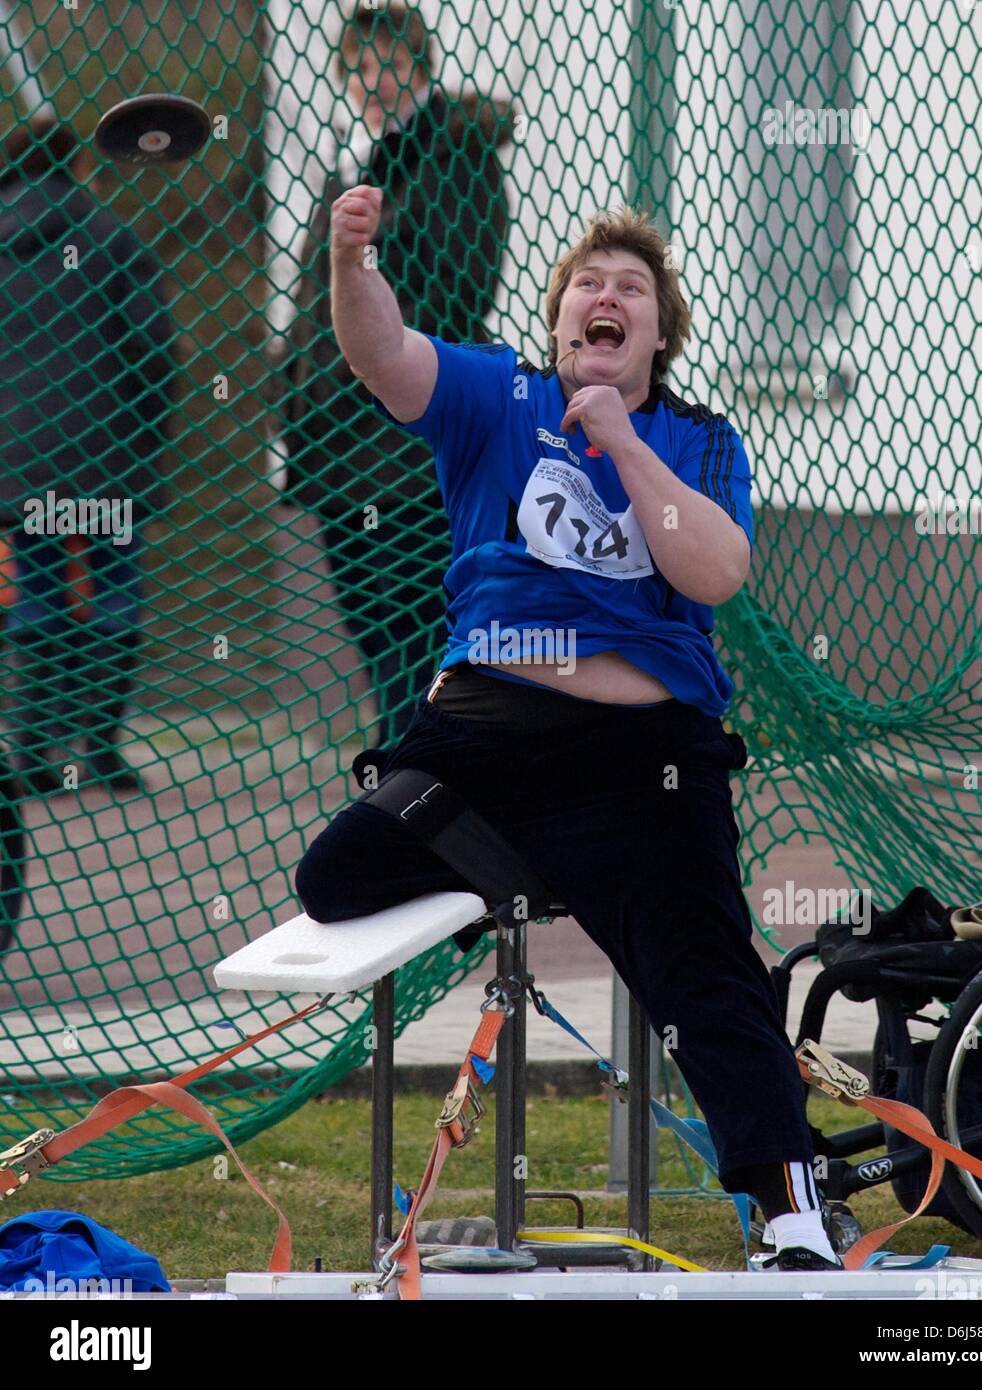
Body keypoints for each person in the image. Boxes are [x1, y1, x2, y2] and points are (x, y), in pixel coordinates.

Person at [294, 184, 842, 1271]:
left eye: (629, 289)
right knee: (335, 875)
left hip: (643, 761)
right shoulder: (500, 396)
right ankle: (526, 859)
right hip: (486, 738)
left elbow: (717, 569)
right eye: (587, 284)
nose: (606, 295)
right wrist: (348, 267)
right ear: (557, 323)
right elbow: (384, 353)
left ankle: (793, 1213)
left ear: (657, 333)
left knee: (707, 971)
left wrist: (623, 443)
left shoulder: (695, 438)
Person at [272, 2, 513, 745]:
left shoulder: (456, 157)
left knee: (411, 599)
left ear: (420, 66)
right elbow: (313, 295)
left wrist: (364, 355)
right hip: (336, 443)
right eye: (359, 68)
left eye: (389, 64)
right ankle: (403, 743)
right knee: (365, 609)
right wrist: (294, 394)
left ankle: (419, 752)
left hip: (405, 438)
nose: (372, 82)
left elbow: (458, 290)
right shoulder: (356, 166)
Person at [0, 115, 176, 794]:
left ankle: (32, 754)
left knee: (37, 598)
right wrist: (145, 439)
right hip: (105, 459)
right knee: (114, 594)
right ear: (74, 164)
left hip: (19, 465)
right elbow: (153, 349)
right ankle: (100, 746)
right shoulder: (108, 237)